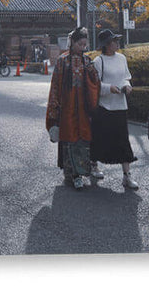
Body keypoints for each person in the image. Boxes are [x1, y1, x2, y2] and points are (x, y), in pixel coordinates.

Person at [45, 27, 100, 190]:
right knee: (69, 139)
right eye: (80, 44)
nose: (83, 48)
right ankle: (72, 174)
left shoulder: (87, 61)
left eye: (85, 45)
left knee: (83, 139)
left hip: (83, 108)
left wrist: (92, 73)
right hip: (67, 107)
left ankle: (82, 172)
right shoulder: (63, 61)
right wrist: (54, 108)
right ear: (73, 43)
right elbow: (55, 86)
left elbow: (96, 82)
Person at [90, 29, 139, 189]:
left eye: (117, 40)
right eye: (114, 41)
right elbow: (94, 85)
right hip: (104, 106)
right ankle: (94, 166)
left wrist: (127, 86)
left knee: (122, 140)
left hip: (120, 105)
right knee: (99, 138)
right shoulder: (99, 61)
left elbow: (126, 76)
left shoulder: (122, 58)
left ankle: (127, 176)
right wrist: (108, 88)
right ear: (106, 45)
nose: (117, 43)